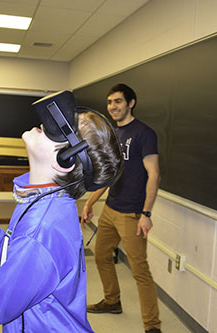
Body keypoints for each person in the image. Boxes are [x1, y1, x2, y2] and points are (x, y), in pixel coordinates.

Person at [0, 91, 123, 332]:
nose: (45, 125)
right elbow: (19, 264)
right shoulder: (41, 200)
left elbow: (0, 304)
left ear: (64, 160)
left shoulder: (43, 225)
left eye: (62, 128)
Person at [81, 83, 162, 333]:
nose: (113, 107)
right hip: (111, 209)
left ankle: (152, 326)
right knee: (102, 255)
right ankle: (112, 301)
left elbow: (154, 174)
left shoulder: (144, 133)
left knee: (140, 271)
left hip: (132, 213)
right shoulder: (113, 135)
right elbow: (110, 174)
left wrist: (146, 214)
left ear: (131, 103)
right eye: (110, 102)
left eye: (118, 101)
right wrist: (91, 202)